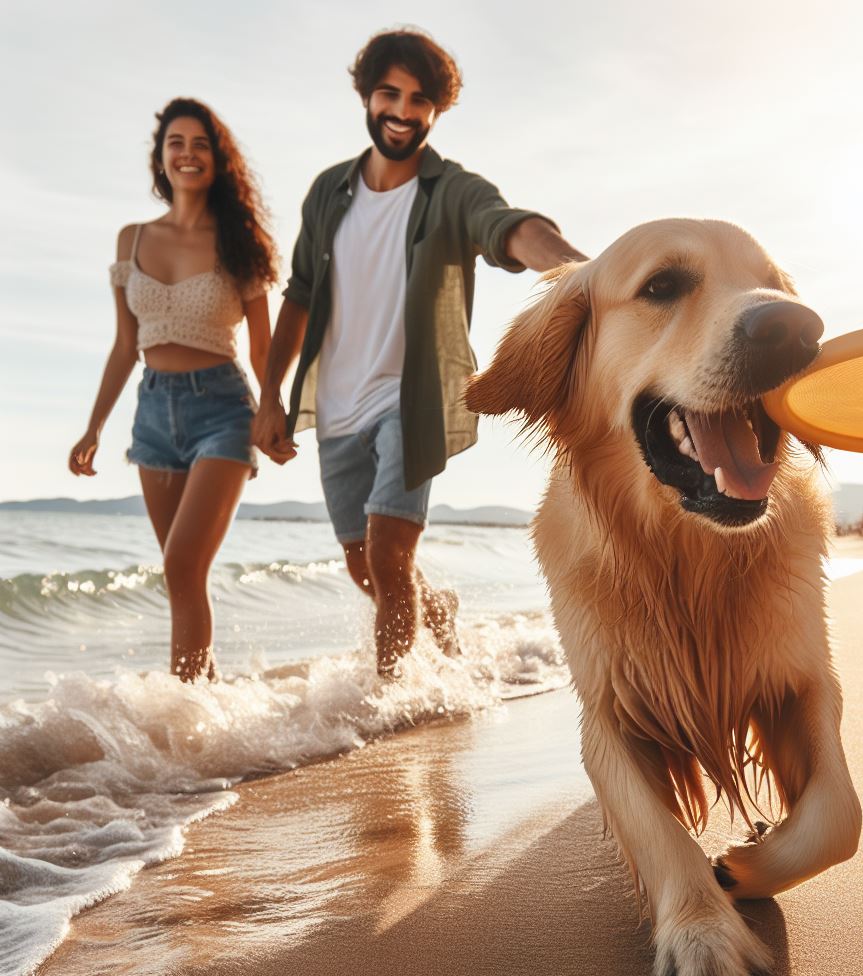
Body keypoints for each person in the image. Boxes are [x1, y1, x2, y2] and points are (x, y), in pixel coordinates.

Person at [251, 29, 586, 677]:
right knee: (364, 565)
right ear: (366, 97)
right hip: (338, 408)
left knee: (388, 556)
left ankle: (391, 700)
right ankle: (440, 615)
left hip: (413, 401)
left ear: (437, 110)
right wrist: (270, 397)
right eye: (389, 94)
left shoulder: (452, 191)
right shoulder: (328, 192)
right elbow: (298, 295)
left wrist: (579, 272)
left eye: (419, 100)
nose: (402, 112)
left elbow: (509, 227)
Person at [69, 98, 277, 681]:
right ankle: (207, 713)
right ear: (160, 158)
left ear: (217, 159)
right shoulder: (131, 239)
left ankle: (184, 729)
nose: (188, 154)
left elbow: (262, 348)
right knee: (180, 578)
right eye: (176, 143)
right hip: (152, 415)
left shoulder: (240, 241)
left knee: (183, 566)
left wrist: (274, 408)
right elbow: (122, 346)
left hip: (223, 409)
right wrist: (94, 427)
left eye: (200, 144)